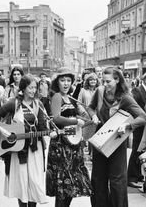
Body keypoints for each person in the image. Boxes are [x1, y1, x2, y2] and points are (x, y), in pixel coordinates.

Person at [0, 75, 54, 207]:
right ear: (23, 88)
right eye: (30, 87)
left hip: (35, 149)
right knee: (21, 183)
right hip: (18, 150)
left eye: (35, 87)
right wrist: (1, 130)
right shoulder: (14, 103)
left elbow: (42, 128)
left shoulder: (38, 104)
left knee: (34, 182)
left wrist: (51, 133)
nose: (33, 91)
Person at [86, 67, 146, 207]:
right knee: (98, 179)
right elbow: (90, 107)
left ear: (117, 80)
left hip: (117, 142)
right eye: (103, 81)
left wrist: (128, 126)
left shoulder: (125, 97)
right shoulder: (99, 92)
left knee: (117, 181)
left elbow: (143, 117)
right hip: (100, 140)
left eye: (108, 81)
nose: (105, 84)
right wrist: (94, 115)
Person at [46, 67, 92, 207]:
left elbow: (75, 115)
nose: (66, 83)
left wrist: (87, 118)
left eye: (68, 80)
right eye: (62, 80)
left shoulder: (70, 97)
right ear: (57, 82)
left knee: (71, 186)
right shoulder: (57, 96)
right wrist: (75, 121)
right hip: (61, 145)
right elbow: (56, 118)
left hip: (73, 144)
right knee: (63, 187)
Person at [127, 70, 146, 189]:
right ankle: (131, 178)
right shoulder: (137, 91)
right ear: (145, 80)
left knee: (143, 152)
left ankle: (139, 175)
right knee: (136, 151)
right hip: (139, 127)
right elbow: (132, 108)